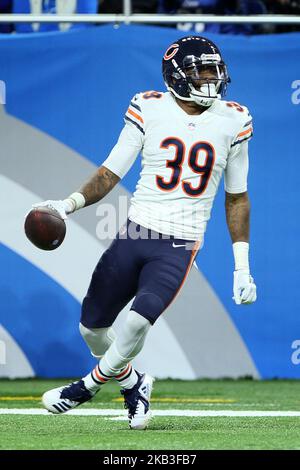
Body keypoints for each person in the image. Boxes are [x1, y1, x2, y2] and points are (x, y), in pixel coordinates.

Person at [34, 36, 257, 430]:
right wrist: (65, 205)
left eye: (214, 70)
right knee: (91, 328)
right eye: (201, 72)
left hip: (180, 241)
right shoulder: (148, 107)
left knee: (138, 322)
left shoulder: (235, 119)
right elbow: (109, 172)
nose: (211, 79)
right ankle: (135, 384)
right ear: (177, 75)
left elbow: (236, 198)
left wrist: (242, 267)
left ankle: (84, 388)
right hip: (136, 232)